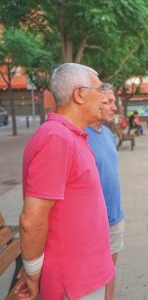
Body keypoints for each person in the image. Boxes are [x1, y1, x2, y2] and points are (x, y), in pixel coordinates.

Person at [16, 63, 115, 300]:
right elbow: (32, 219)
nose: (104, 98)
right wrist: (32, 271)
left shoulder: (73, 136)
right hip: (72, 281)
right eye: (99, 89)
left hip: (86, 275)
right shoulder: (56, 139)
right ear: (79, 94)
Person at [85, 84, 124, 300]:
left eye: (113, 101)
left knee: (111, 270)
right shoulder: (81, 135)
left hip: (115, 217)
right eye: (107, 102)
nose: (113, 107)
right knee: (95, 275)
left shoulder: (108, 134)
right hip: (92, 223)